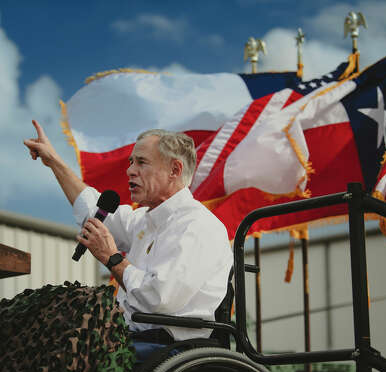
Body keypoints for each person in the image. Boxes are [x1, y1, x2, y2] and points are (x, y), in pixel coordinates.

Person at [23, 119, 232, 351]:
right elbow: (94, 211)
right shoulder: (145, 220)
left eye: (141, 162)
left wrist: (113, 258)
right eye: (131, 162)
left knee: (67, 354)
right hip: (130, 337)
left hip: (168, 348)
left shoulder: (198, 225)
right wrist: (53, 161)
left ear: (175, 170)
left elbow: (158, 299)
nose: (130, 170)